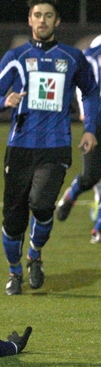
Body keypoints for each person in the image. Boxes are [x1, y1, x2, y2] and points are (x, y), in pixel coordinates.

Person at [0, 0, 99, 295]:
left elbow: (91, 92)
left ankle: (34, 255)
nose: (43, 20)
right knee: (13, 218)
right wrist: (3, 100)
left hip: (56, 145)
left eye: (49, 15)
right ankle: (14, 272)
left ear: (57, 21)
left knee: (42, 204)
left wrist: (90, 129)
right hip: (20, 146)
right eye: (38, 15)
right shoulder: (16, 56)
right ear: (30, 20)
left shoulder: (73, 57)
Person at [55, 34, 101, 243]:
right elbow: (84, 86)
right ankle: (72, 193)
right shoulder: (89, 57)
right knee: (91, 175)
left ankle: (98, 228)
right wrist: (85, 113)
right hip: (96, 123)